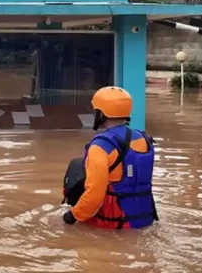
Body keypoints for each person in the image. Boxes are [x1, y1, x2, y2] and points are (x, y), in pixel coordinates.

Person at [62, 86, 158, 229]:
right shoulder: (144, 139)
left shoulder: (100, 147)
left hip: (112, 225)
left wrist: (73, 216)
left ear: (101, 113)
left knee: (77, 166)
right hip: (145, 218)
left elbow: (94, 194)